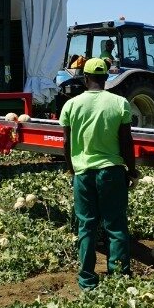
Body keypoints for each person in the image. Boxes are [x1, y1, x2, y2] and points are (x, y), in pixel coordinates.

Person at [59, 57, 138, 290]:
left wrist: (72, 169)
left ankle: (87, 280)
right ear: (106, 78)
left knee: (87, 226)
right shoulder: (120, 103)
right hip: (111, 173)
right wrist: (131, 170)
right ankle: (119, 276)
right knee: (115, 224)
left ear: (85, 78)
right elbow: (126, 141)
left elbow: (65, 142)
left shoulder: (71, 105)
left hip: (83, 174)